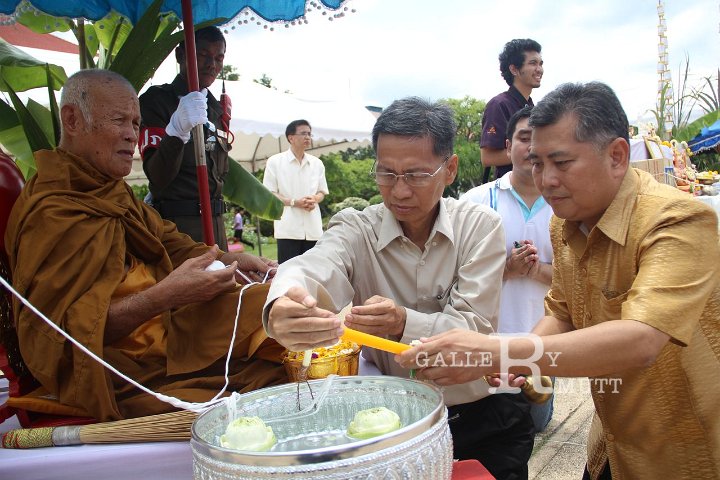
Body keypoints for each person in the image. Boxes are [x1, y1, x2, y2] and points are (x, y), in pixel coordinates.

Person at [398, 82, 720, 480]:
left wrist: (499, 352)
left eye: (562, 162)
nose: (546, 179)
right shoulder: (565, 225)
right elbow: (562, 312)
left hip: (687, 451)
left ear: (617, 156)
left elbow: (641, 339)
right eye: (537, 163)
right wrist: (519, 360)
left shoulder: (678, 221)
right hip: (611, 444)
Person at [263, 97, 535, 479]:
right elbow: (315, 264)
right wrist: (284, 299)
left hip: (483, 418)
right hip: (395, 424)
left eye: (416, 175)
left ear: (450, 169)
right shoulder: (358, 228)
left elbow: (473, 328)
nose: (399, 191)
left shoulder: (479, 226)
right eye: (386, 173)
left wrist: (402, 322)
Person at [5, 70, 287, 422]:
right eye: (119, 120)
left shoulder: (113, 193)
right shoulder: (51, 212)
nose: (131, 135)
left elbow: (172, 243)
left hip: (170, 330)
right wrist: (164, 296)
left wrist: (231, 259)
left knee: (280, 303)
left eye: (136, 123)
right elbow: (61, 338)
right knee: (273, 378)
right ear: (73, 120)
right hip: (119, 367)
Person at [462, 106, 555, 432]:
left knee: (537, 425)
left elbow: (580, 279)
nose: (531, 148)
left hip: (544, 342)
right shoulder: (476, 202)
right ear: (507, 145)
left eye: (540, 140)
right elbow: (453, 276)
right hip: (488, 343)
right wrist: (506, 268)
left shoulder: (565, 204)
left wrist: (536, 270)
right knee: (491, 430)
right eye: (524, 138)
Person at [139, 26, 231, 250]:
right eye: (203, 55)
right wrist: (176, 132)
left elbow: (219, 174)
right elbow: (158, 176)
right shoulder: (157, 101)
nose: (212, 64)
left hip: (216, 227)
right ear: (181, 55)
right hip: (179, 231)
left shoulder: (216, 109)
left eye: (219, 58)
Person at [262, 120, 329, 263]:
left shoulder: (317, 163)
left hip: (313, 229)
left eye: (309, 134)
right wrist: (294, 202)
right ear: (290, 137)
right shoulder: (275, 162)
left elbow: (322, 192)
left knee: (314, 271)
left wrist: (315, 199)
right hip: (288, 229)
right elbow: (269, 193)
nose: (308, 137)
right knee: (288, 271)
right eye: (303, 133)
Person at [480, 39, 543, 183]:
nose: (539, 69)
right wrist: (538, 152)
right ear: (514, 69)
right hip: (508, 189)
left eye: (541, 64)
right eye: (533, 63)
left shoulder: (532, 107)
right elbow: (487, 158)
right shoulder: (499, 104)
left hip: (534, 187)